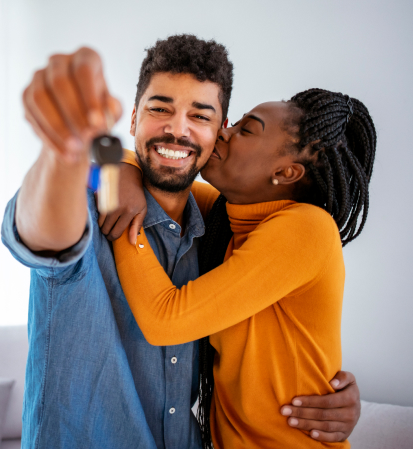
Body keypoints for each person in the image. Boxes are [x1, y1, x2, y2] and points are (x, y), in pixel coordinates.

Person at [1, 35, 361, 449]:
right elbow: (40, 225)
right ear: (133, 118)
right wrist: (75, 156)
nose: (178, 128)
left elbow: (170, 321)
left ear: (217, 132)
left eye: (203, 116)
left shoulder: (254, 227)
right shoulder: (112, 198)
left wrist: (118, 192)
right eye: (160, 109)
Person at [111, 89, 375, 448]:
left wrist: (124, 215)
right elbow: (119, 162)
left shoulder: (307, 227)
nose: (222, 129)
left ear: (285, 172)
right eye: (233, 122)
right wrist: (124, 173)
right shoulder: (225, 220)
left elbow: (164, 320)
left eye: (246, 130)